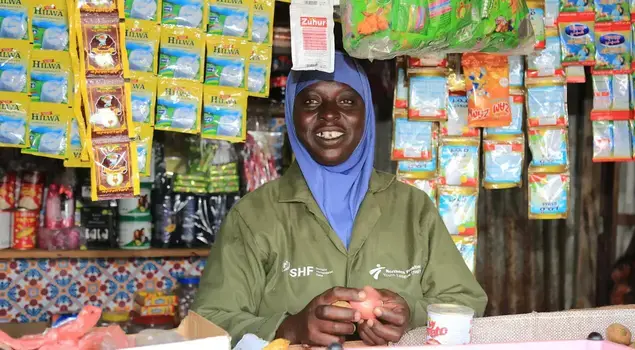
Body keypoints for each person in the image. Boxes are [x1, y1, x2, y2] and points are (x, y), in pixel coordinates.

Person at [192, 52, 487, 347]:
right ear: (292, 116)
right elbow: (207, 324)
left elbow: (464, 302)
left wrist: (412, 316)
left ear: (367, 114)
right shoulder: (255, 215)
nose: (329, 113)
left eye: (347, 101)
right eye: (310, 102)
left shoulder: (413, 208)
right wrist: (287, 328)